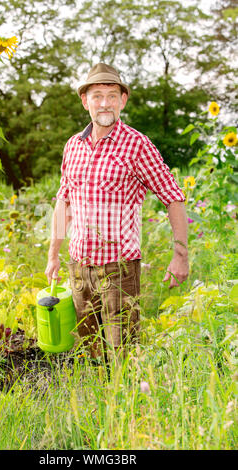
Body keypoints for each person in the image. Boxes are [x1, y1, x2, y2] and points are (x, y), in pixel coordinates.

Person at [45, 63, 189, 360]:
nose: (105, 103)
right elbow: (64, 200)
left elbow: (173, 196)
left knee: (122, 354)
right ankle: (97, 404)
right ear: (85, 101)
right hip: (79, 268)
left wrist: (180, 254)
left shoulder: (137, 145)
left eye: (112, 95)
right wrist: (52, 254)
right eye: (97, 95)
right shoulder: (73, 146)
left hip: (119, 270)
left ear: (123, 100)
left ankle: (126, 405)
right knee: (90, 351)